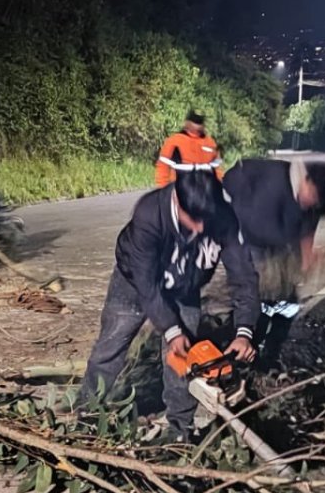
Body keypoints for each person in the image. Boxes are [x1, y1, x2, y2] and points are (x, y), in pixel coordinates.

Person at [79, 171, 260, 443]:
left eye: (206, 220)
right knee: (110, 347)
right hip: (134, 284)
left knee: (183, 362)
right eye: (193, 220)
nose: (201, 228)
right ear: (176, 199)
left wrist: (244, 331)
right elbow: (147, 286)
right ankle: (86, 417)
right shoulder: (149, 215)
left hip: (184, 289)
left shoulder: (223, 218)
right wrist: (171, 329)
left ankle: (179, 431)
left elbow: (244, 277)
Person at [221, 158, 325, 365]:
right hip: (252, 239)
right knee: (255, 294)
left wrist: (307, 256)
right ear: (305, 181)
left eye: (314, 200)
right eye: (309, 195)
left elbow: (310, 225)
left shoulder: (318, 195)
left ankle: (272, 354)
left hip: (280, 243)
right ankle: (245, 350)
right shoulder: (270, 184)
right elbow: (252, 229)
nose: (310, 201)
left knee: (288, 301)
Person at [154, 110, 224, 188]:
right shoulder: (175, 141)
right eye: (194, 121)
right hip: (180, 186)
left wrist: (219, 185)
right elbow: (163, 165)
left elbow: (217, 168)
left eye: (199, 122)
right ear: (187, 122)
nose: (197, 125)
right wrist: (164, 187)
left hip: (205, 187)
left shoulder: (210, 143)